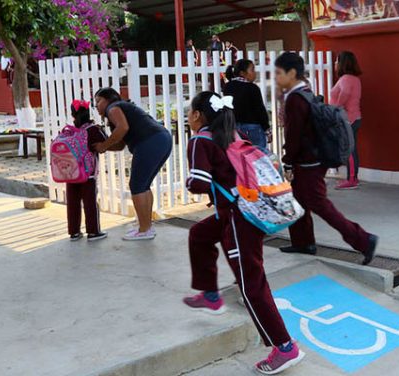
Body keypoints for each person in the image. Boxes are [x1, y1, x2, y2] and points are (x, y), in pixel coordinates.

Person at [183, 91, 305, 375]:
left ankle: (285, 347)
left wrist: (194, 179)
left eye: (189, 112)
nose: (188, 117)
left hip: (240, 218)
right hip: (241, 209)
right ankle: (210, 294)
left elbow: (197, 184)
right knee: (199, 234)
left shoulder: (200, 140)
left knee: (252, 284)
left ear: (199, 115)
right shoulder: (230, 134)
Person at [275, 52, 378, 264]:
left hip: (306, 161)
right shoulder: (306, 92)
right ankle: (303, 242)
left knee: (320, 205)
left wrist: (288, 161)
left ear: (292, 73)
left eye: (279, 73)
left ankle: (363, 240)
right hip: (314, 158)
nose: (276, 78)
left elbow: (294, 135)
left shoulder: (295, 99)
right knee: (298, 202)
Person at [93, 88, 173, 241]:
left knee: (137, 186)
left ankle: (144, 230)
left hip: (150, 142)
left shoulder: (113, 108)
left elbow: (123, 128)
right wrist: (101, 147)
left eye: (98, 101)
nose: (96, 106)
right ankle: (146, 226)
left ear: (109, 99)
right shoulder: (122, 109)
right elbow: (120, 145)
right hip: (163, 139)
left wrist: (103, 146)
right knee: (143, 186)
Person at [66, 99, 108, 242]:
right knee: (90, 202)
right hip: (87, 175)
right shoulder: (92, 130)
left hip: (70, 174)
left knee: (72, 203)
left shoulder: (69, 131)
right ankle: (93, 232)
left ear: (72, 114)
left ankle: (74, 232)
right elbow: (105, 143)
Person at [331, 51, 363, 190]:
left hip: (348, 119)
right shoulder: (354, 79)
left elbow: (345, 93)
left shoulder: (345, 79)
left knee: (349, 150)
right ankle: (353, 177)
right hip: (354, 118)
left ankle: (351, 179)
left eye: (337, 61)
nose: (335, 64)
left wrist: (336, 108)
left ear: (343, 63)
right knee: (352, 149)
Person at [223, 59, 270, 149]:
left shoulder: (228, 87)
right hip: (253, 128)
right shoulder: (252, 88)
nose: (255, 73)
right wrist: (266, 129)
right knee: (257, 156)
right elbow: (259, 109)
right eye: (252, 70)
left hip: (235, 128)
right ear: (242, 73)